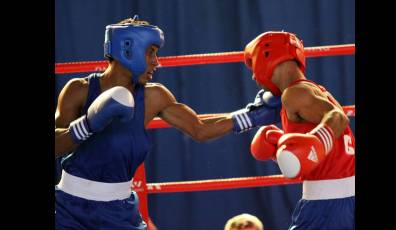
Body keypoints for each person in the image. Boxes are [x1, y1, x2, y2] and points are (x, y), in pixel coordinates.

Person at [54, 15, 282, 229]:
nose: (157, 62)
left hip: (118, 211)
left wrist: (253, 115)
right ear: (128, 49)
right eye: (151, 52)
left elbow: (199, 129)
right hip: (68, 208)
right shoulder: (79, 90)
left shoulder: (154, 96)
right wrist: (88, 124)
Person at [246, 31, 355, 229]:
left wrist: (316, 143)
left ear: (267, 57)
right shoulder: (315, 90)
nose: (254, 76)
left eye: (253, 65)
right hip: (345, 198)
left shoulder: (294, 94)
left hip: (325, 205)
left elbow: (338, 118)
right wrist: (284, 144)